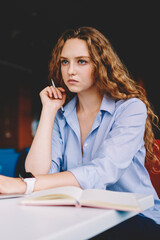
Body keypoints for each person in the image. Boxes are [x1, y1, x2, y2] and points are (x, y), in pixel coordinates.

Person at [0, 26, 160, 239]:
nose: (70, 71)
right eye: (65, 61)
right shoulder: (61, 116)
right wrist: (49, 111)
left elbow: (103, 170)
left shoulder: (130, 108)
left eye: (81, 61)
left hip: (135, 216)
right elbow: (38, 173)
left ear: (101, 65)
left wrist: (22, 185)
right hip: (82, 215)